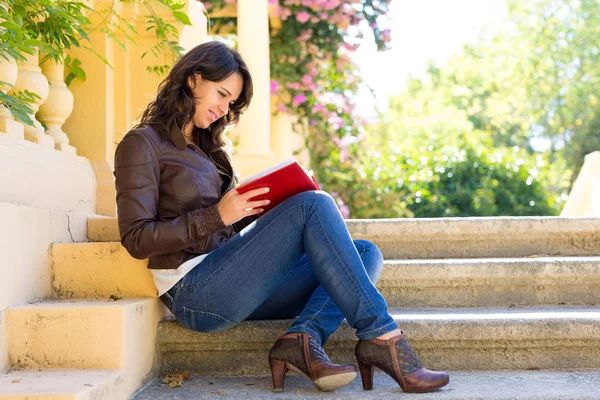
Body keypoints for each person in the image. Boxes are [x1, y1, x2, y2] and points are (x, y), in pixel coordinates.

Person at [114, 41, 449, 394]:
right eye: (222, 94)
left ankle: (303, 338)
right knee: (313, 205)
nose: (224, 109)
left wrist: (263, 208)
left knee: (365, 252)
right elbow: (136, 239)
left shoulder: (211, 151)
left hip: (232, 277)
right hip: (194, 293)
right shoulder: (142, 144)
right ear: (195, 79)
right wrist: (217, 215)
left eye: (231, 103)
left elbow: (228, 225)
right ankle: (383, 337)